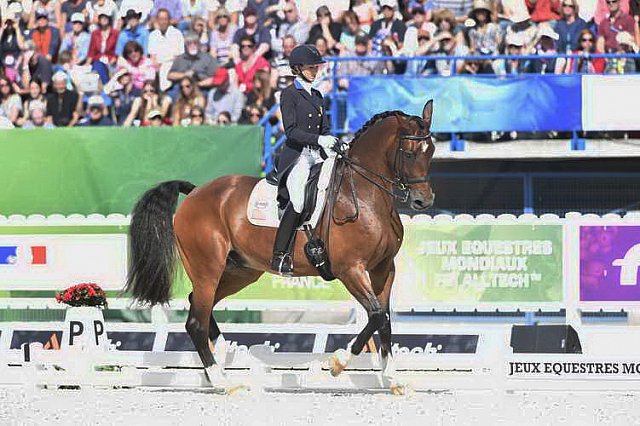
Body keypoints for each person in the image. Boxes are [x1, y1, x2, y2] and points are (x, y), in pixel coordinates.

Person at [270, 44, 338, 276]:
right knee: (298, 201)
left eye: (316, 67)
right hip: (297, 156)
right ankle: (279, 255)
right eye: (310, 67)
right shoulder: (289, 94)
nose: (315, 71)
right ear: (297, 68)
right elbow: (291, 131)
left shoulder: (318, 96)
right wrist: (320, 140)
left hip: (317, 155)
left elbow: (325, 129)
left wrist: (334, 142)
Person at [148, 9, 184, 92]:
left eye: (165, 19)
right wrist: (157, 65)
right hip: (158, 66)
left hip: (173, 66)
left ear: (169, 20)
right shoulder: (153, 35)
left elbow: (179, 57)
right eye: (160, 19)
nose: (162, 22)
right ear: (157, 20)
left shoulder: (177, 34)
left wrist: (165, 63)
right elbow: (152, 57)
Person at [87, 10, 119, 83]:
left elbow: (118, 50)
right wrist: (87, 64)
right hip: (98, 59)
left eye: (106, 17)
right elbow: (91, 51)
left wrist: (113, 59)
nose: (104, 19)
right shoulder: (95, 33)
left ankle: (105, 85)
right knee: (97, 66)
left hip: (111, 60)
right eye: (102, 18)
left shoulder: (115, 33)